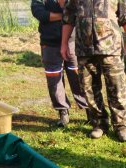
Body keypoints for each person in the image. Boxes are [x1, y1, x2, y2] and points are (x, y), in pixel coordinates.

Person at [60, 0, 126, 142]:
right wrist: (64, 44)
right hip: (85, 48)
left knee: (117, 88)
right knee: (88, 89)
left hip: (111, 47)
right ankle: (99, 123)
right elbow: (68, 19)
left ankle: (121, 126)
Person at [31, 0, 89, 128]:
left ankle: (89, 110)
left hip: (72, 42)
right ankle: (63, 111)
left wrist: (59, 13)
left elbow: (79, 11)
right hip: (49, 43)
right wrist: (66, 15)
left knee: (78, 77)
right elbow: (41, 15)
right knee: (54, 79)